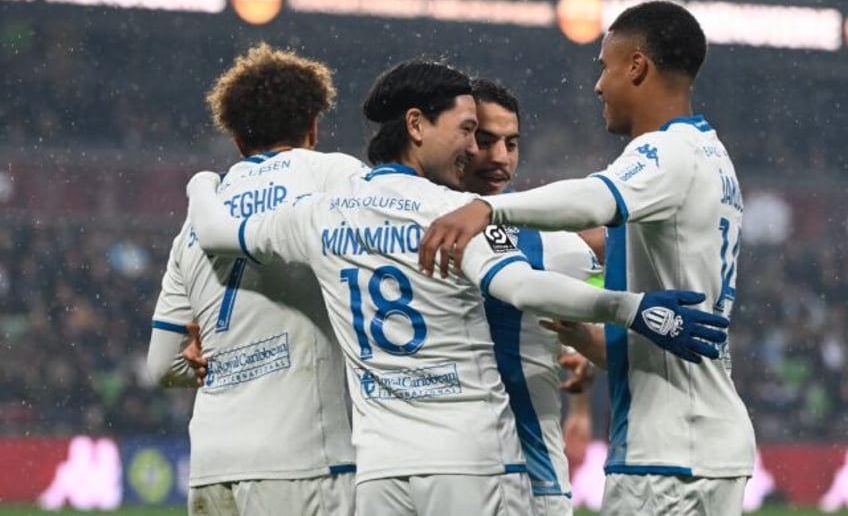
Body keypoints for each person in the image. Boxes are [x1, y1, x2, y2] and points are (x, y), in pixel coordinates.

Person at [184, 58, 729, 516]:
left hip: (381, 468)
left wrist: (202, 181)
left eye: (500, 140)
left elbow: (214, 232)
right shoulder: (455, 213)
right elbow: (522, 286)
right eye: (469, 132)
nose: (478, 150)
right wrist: (633, 309)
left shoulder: (322, 213)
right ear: (417, 125)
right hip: (472, 457)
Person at [418, 1, 756, 515]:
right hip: (703, 442)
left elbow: (592, 199)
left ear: (637, 66)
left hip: (666, 457)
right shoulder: (713, 156)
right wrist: (587, 338)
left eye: (605, 67)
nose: (598, 86)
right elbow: (666, 326)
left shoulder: (668, 151)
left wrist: (488, 209)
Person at [146, 43, 364, 516]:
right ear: (313, 126)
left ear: (238, 141)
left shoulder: (198, 217)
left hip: (212, 466)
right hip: (304, 461)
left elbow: (163, 366)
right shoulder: (334, 174)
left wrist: (206, 364)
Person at [466, 78, 600, 516]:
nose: (500, 158)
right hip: (440, 467)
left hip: (530, 478)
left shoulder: (552, 239)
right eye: (485, 141)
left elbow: (592, 301)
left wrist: (580, 380)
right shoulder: (415, 216)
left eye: (511, 143)